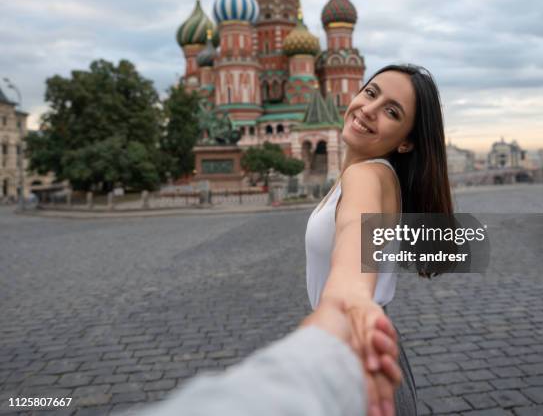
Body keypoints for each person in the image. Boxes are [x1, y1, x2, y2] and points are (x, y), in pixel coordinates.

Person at [305, 64, 454, 416]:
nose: (369, 109)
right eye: (370, 93)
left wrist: (347, 303)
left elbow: (355, 238)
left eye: (391, 112)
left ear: (406, 142)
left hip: (354, 353)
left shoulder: (366, 177)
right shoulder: (363, 175)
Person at [135, 298, 402, 416]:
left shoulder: (364, 178)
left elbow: (353, 262)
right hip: (364, 349)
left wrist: (343, 310)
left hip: (363, 355)